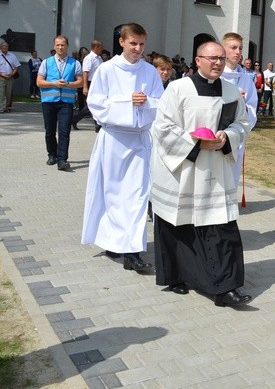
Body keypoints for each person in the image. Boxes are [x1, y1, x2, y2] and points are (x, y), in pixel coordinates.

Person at [151, 41, 253, 306]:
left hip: (215, 169)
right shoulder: (178, 89)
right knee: (179, 224)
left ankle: (225, 288)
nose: (218, 62)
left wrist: (227, 137)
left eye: (221, 58)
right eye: (212, 58)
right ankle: (177, 276)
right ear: (198, 60)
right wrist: (195, 142)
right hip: (184, 169)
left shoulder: (231, 91)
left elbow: (242, 123)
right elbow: (162, 129)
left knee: (222, 226)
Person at [81, 23, 164, 273]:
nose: (138, 49)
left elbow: (161, 103)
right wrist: (127, 101)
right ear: (122, 42)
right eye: (133, 43)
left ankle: (132, 252)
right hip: (113, 139)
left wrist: (146, 101)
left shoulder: (149, 72)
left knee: (137, 195)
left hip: (138, 139)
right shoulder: (107, 69)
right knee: (111, 192)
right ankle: (112, 241)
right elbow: (96, 104)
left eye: (142, 44)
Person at [36, 35, 83, 169]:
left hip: (66, 102)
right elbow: (39, 82)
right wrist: (53, 83)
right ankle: (52, 155)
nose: (60, 47)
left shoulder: (75, 63)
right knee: (49, 131)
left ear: (67, 46)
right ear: (54, 46)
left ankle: (62, 159)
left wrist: (68, 83)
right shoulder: (46, 62)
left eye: (62, 45)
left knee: (64, 131)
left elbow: (80, 82)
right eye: (57, 45)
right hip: (49, 101)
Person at [220, 32, 258, 189]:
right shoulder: (216, 74)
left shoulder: (246, 79)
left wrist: (242, 105)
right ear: (223, 49)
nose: (238, 52)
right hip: (216, 134)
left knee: (232, 178)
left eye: (240, 48)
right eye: (233, 47)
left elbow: (253, 108)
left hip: (236, 135)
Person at [72, 39, 105, 131]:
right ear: (96, 47)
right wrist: (85, 86)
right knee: (91, 105)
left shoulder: (99, 58)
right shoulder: (89, 58)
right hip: (91, 83)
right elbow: (85, 73)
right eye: (101, 47)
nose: (102, 49)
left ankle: (97, 125)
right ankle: (75, 119)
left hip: (98, 83)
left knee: (96, 103)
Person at [0, 40, 21, 112]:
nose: (5, 48)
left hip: (10, 78)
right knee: (1, 93)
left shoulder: (12, 56)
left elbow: (16, 67)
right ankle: (2, 108)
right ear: (0, 47)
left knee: (8, 94)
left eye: (6, 46)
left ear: (8, 47)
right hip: (1, 77)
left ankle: (7, 107)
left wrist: (12, 74)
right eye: (3, 46)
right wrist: (1, 74)